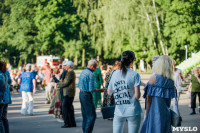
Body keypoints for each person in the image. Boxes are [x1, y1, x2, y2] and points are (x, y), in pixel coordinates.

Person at [108, 51, 142, 133]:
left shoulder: (114, 73)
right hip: (133, 110)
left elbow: (109, 92)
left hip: (119, 110)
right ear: (132, 61)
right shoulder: (135, 74)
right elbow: (137, 96)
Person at [140, 55, 176, 133]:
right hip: (166, 112)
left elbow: (148, 99)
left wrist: (146, 113)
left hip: (155, 113)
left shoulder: (154, 78)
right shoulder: (171, 81)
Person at [78, 59, 104, 133]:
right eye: (96, 67)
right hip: (86, 95)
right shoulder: (91, 74)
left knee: (85, 115)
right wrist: (100, 90)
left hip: (81, 94)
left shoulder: (83, 72)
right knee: (92, 116)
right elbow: (91, 90)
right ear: (92, 66)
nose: (96, 69)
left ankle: (85, 131)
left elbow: (80, 84)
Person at [57, 61, 76, 128]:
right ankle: (72, 123)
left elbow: (66, 83)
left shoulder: (70, 72)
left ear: (69, 66)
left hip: (68, 93)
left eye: (65, 65)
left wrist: (58, 84)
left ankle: (67, 123)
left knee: (65, 108)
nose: (64, 66)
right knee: (69, 108)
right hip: (69, 92)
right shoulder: (70, 72)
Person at [0, 61, 10, 133]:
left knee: (0, 119)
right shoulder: (5, 74)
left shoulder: (1, 76)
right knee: (4, 118)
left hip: (1, 98)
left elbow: (2, 86)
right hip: (5, 98)